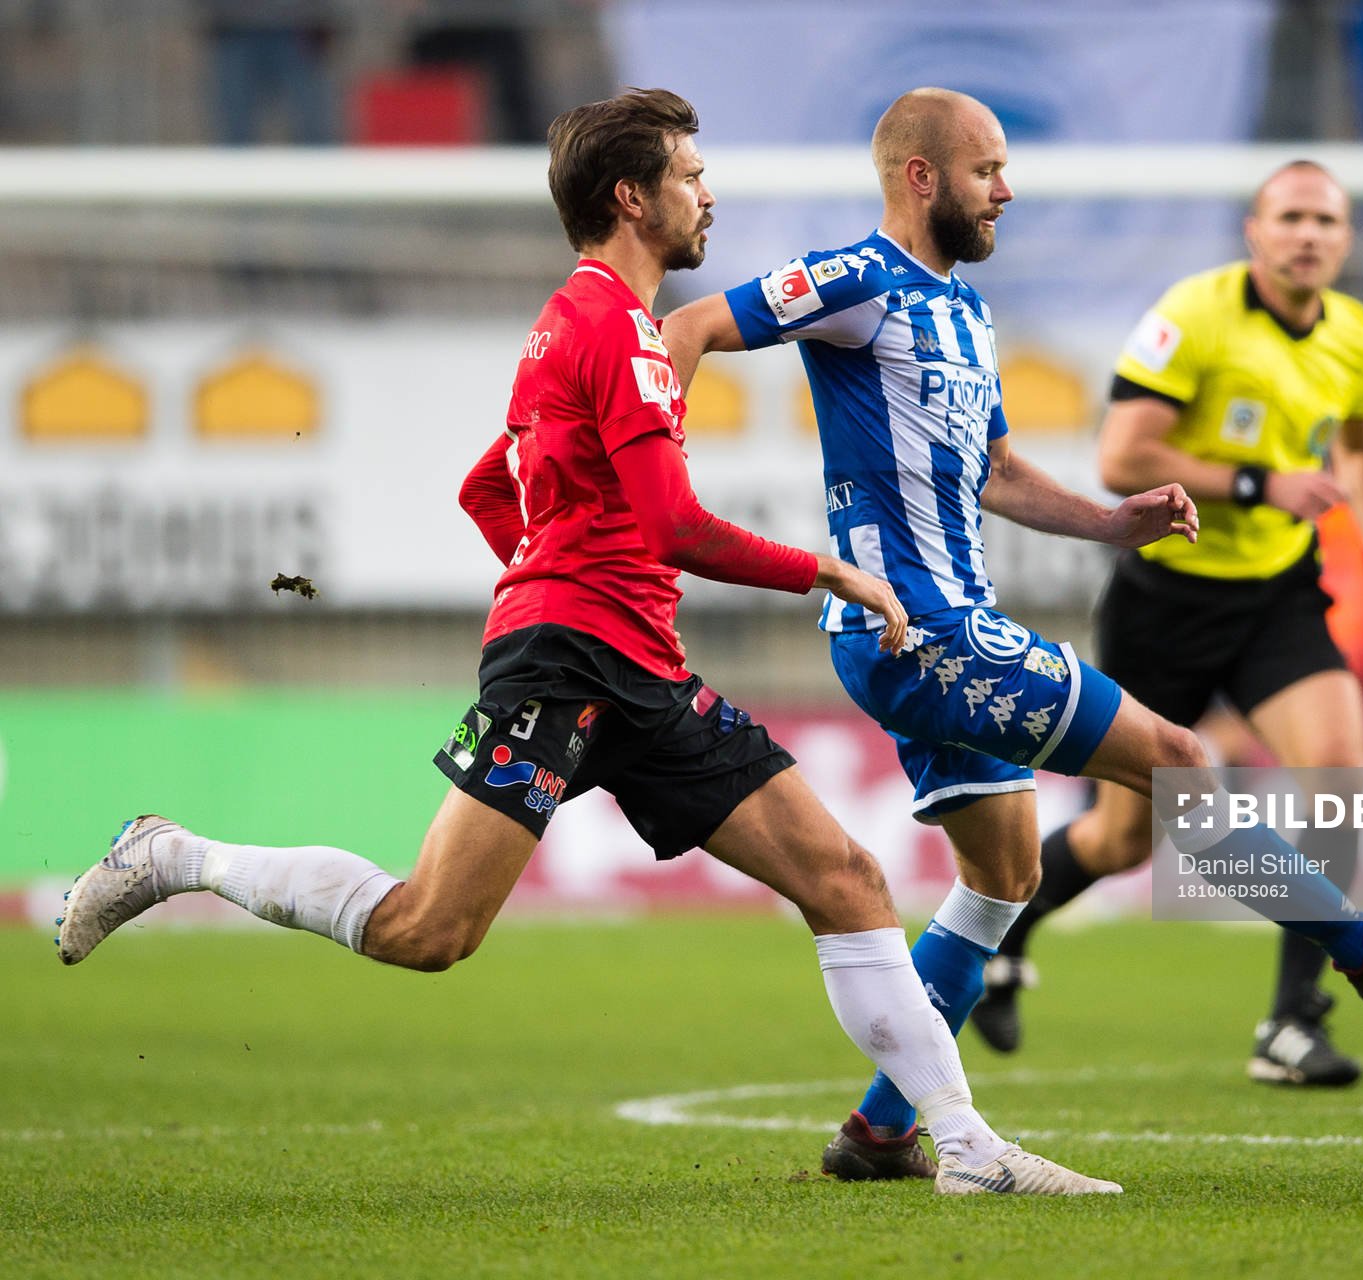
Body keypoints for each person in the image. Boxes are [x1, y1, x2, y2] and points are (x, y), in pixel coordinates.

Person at [55, 87, 1120, 1198]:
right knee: (431, 927)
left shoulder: (586, 321)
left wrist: (559, 558)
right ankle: (176, 855)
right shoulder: (613, 323)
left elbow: (489, 486)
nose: (709, 192)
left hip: (640, 667)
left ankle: (964, 1150)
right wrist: (823, 568)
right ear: (633, 196)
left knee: (845, 877)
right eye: (691, 175)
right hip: (565, 663)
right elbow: (672, 526)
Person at [665, 91, 1363, 1181]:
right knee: (1182, 760)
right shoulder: (856, 280)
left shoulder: (964, 313)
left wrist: (1111, 520)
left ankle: (880, 1128)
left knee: (1004, 878)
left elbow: (999, 471)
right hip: (925, 630)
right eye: (987, 170)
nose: (1006, 189)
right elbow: (688, 327)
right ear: (921, 177)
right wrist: (651, 483)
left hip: (945, 624)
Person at [974, 161, 1363, 1090]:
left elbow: (1362, 439)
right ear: (1254, 231)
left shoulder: (1354, 337)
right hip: (1165, 599)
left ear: (1344, 239)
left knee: (1339, 777)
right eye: (1290, 217)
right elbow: (1119, 455)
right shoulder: (1197, 316)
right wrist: (1262, 482)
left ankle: (1293, 1025)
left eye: (1326, 221)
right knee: (1121, 841)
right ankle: (1000, 940)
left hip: (1275, 594)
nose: (1308, 235)